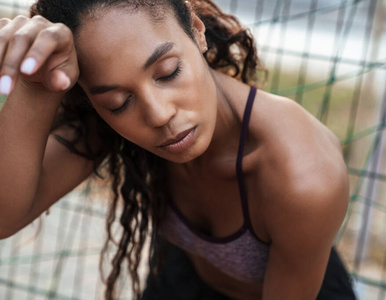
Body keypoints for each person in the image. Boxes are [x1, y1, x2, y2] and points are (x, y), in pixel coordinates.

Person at [0, 0, 356, 299]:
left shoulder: (305, 176)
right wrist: (37, 87)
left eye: (168, 72)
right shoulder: (103, 124)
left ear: (197, 31)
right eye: (119, 102)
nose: (159, 114)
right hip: (183, 280)